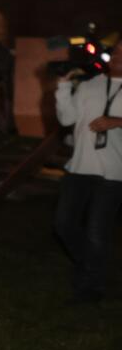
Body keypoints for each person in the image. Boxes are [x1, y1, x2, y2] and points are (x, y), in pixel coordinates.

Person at [53, 36, 122, 303]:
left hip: (114, 173)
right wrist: (62, 88)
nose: (116, 56)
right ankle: (92, 266)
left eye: (121, 53)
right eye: (115, 51)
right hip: (79, 166)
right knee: (63, 223)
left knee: (96, 230)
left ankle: (90, 288)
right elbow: (67, 119)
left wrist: (116, 121)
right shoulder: (90, 85)